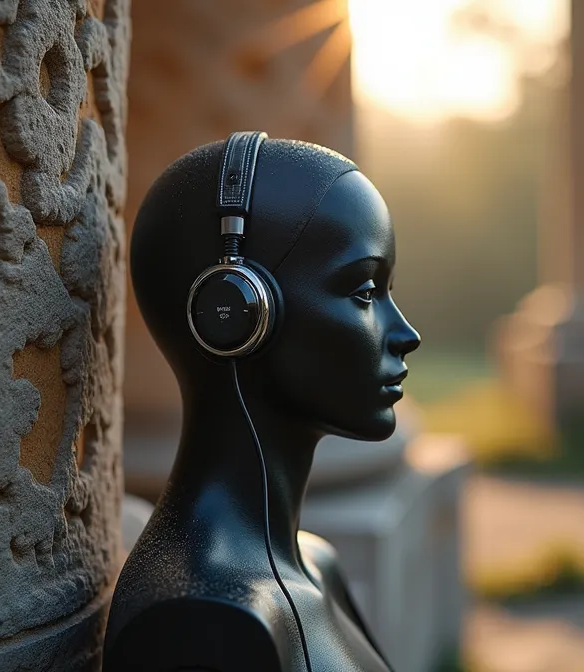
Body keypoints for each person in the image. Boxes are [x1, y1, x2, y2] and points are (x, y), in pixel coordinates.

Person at [104, 133, 419, 672]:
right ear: (234, 311)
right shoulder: (203, 626)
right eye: (365, 291)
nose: (405, 333)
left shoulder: (316, 562)